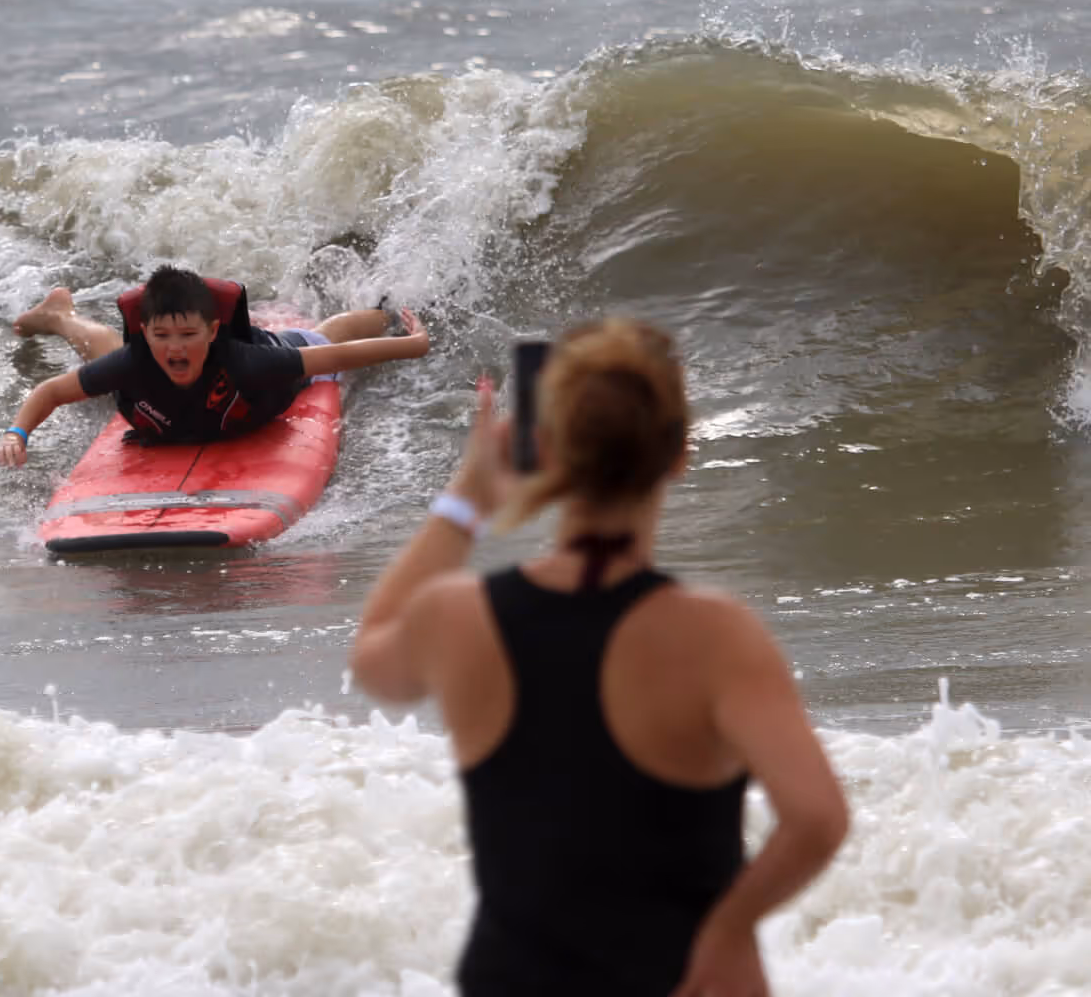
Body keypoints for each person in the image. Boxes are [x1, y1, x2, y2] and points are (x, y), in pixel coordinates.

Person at [350, 318, 848, 997]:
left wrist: (468, 496)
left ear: (544, 450)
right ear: (677, 454)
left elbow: (373, 654)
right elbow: (817, 817)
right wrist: (729, 928)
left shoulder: (456, 616)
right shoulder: (715, 636)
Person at [0, 265, 429, 466]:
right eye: (161, 336)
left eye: (187, 336)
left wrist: (412, 343)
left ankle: (390, 308)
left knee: (326, 332)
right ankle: (58, 315)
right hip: (162, 389)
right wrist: (17, 433)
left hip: (271, 360)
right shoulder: (138, 359)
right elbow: (50, 392)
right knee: (107, 358)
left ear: (213, 331)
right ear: (145, 333)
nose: (174, 348)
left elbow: (336, 355)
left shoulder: (247, 361)